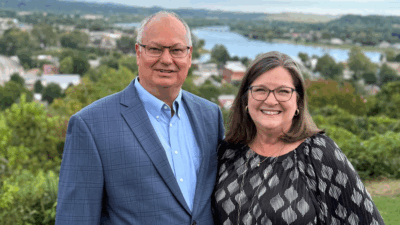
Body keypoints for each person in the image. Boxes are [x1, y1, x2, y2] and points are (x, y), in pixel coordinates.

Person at [56, 11, 225, 225]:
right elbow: (75, 218)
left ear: (189, 55)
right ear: (138, 53)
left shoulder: (209, 115)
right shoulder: (90, 125)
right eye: (155, 49)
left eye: (176, 50)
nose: (166, 59)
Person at [212, 51, 385, 225]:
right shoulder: (228, 151)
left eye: (283, 91)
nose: (271, 100)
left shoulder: (319, 153)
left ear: (298, 102)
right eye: (260, 90)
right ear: (245, 99)